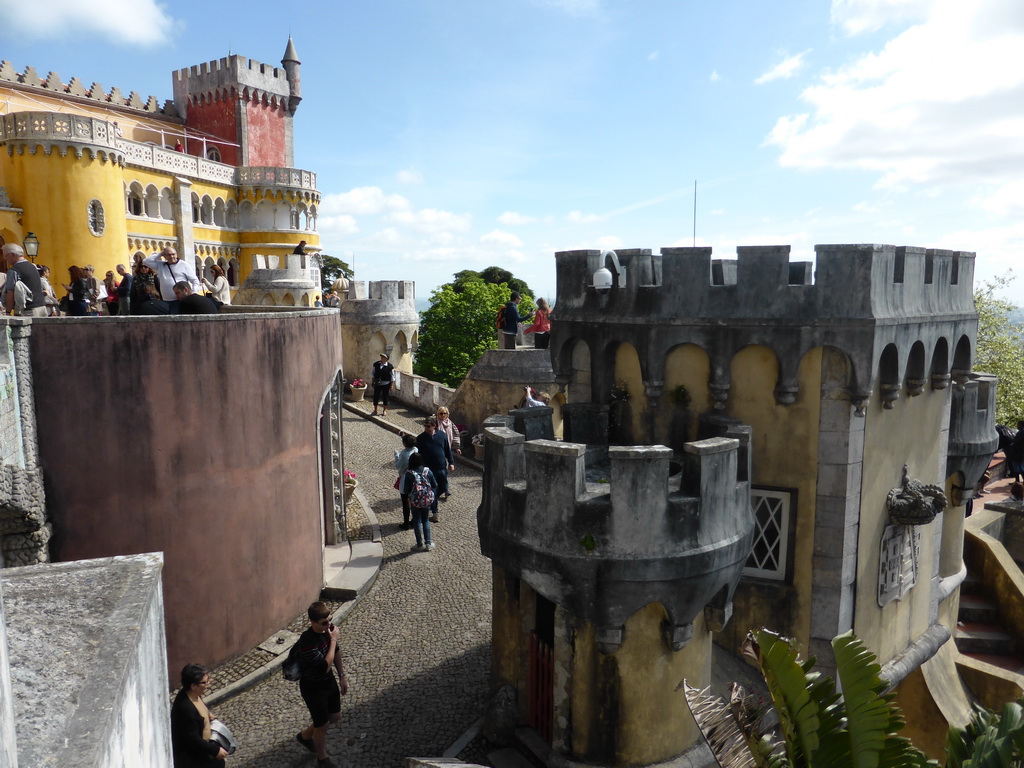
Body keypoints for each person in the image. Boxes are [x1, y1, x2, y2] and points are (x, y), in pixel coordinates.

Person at [294, 601, 348, 768]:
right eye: (324, 623)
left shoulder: (328, 631)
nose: (329, 625)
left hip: (328, 682)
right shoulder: (307, 642)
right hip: (313, 688)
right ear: (313, 622)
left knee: (335, 717)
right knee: (322, 724)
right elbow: (325, 667)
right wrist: (332, 640)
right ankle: (322, 758)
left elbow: (337, 652)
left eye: (330, 620)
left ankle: (305, 736)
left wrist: (342, 676)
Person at [170, 663, 227, 766]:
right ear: (193, 686)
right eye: (204, 682)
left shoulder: (194, 695)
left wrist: (207, 716)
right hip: (195, 760)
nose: (208, 684)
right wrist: (215, 750)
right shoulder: (186, 708)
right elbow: (193, 739)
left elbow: (200, 712)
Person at [415, 416, 453, 523]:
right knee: (433, 490)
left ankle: (434, 499)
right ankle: (435, 512)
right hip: (429, 470)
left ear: (434, 426)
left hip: (441, 467)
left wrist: (451, 462)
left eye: (428, 426)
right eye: (425, 426)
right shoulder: (421, 438)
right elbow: (418, 455)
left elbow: (447, 449)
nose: (426, 428)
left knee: (444, 487)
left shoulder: (441, 435)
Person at [144, 247, 201, 312]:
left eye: (173, 254)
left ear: (176, 255)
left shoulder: (183, 264)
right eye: (168, 255)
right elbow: (145, 261)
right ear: (164, 256)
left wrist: (194, 293)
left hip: (180, 300)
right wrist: (160, 254)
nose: (171, 256)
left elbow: (195, 280)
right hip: (166, 300)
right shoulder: (161, 265)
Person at [403, 453, 436, 551]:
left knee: (417, 521)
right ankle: (428, 543)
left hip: (415, 501)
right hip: (426, 500)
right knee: (425, 520)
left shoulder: (409, 474)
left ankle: (419, 544)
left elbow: (406, 490)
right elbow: (434, 484)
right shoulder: (427, 471)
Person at [2, 244, 47, 317]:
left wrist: (8, 312)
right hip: (41, 307)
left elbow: (10, 293)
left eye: (6, 256)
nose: (5, 259)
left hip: (28, 310)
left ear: (13, 254)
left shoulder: (14, 271)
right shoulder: (33, 267)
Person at [435, 406, 461, 501]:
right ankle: (443, 488)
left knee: (444, 470)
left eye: (444, 413)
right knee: (442, 471)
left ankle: (445, 489)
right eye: (441, 413)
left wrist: (457, 447)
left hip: (447, 448)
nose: (442, 415)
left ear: (447, 414)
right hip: (438, 450)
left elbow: (455, 434)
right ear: (438, 414)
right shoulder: (436, 423)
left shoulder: (450, 423)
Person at [394, 433, 418, 529]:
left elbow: (398, 466)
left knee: (405, 502)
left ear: (404, 444)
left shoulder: (404, 454)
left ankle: (406, 523)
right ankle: (414, 520)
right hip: (415, 478)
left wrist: (396, 455)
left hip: (405, 478)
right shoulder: (416, 450)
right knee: (414, 501)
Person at [371, 353, 394, 417]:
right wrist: (373, 382)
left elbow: (392, 376)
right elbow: (373, 373)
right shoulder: (376, 364)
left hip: (386, 383)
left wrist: (391, 385)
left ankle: (384, 410)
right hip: (378, 383)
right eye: (381, 357)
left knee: (385, 397)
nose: (382, 358)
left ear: (386, 359)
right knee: (376, 396)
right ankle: (375, 410)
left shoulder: (390, 366)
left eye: (383, 357)